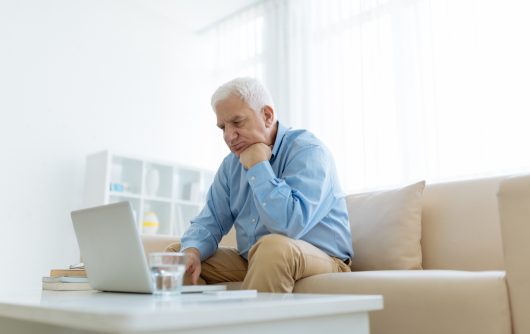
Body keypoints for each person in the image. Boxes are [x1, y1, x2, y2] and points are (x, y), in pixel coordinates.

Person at [166, 77, 353, 292]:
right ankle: (200, 325)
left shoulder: (308, 151)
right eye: (222, 127)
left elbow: (289, 225)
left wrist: (258, 166)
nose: (229, 136)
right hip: (256, 258)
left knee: (273, 248)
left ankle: (251, 327)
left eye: (237, 122)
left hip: (324, 259)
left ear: (267, 116)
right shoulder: (231, 165)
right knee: (177, 257)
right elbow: (210, 220)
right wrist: (192, 250)